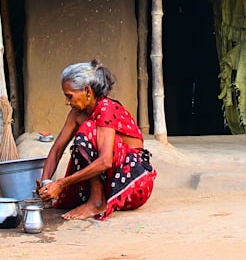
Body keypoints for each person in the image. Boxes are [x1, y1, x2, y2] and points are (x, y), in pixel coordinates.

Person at [36, 59, 156, 220]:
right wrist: (46, 182)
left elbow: (105, 161)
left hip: (133, 184)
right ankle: (95, 197)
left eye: (69, 96)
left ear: (87, 91)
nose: (67, 102)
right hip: (111, 182)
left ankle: (97, 202)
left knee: (87, 129)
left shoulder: (106, 108)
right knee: (87, 129)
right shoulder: (76, 113)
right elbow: (57, 150)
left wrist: (61, 184)